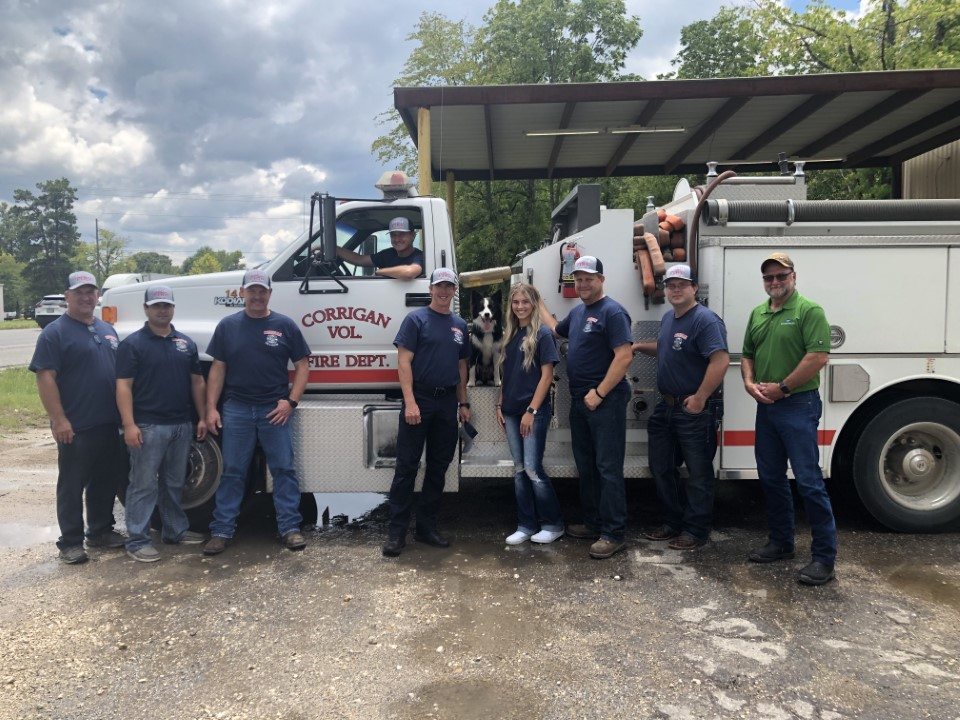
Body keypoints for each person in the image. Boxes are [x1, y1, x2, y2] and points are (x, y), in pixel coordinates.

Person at [742, 252, 837, 586]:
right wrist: (749, 382)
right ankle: (781, 543)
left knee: (809, 482)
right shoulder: (758, 312)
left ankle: (824, 559)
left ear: (793, 277)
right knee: (770, 477)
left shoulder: (809, 311)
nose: (775, 282)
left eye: (781, 276)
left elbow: (818, 357)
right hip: (766, 407)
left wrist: (782, 387)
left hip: (798, 404)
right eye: (769, 278)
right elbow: (747, 355)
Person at [203, 269, 311, 556]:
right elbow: (218, 368)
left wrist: (291, 401)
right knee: (233, 472)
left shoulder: (285, 325)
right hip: (236, 409)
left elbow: (302, 365)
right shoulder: (227, 326)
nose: (257, 296)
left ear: (270, 294)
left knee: (284, 470)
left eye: (262, 291)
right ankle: (221, 531)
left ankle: (290, 529)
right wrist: (211, 408)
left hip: (274, 410)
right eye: (252, 290)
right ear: (242, 293)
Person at [29, 271, 128, 564]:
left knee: (105, 480)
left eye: (90, 292)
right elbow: (45, 378)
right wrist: (59, 419)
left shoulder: (108, 329)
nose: (86, 297)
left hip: (109, 422)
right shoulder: (54, 333)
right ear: (67, 297)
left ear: (97, 296)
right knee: (72, 485)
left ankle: (99, 530)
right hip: (76, 425)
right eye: (79, 292)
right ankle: (70, 541)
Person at [540, 256, 633, 559]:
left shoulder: (613, 312)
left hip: (605, 401)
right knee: (588, 467)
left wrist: (600, 392)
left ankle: (613, 533)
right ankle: (593, 523)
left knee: (608, 467)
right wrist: (536, 300)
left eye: (588, 278)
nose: (582, 284)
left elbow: (624, 356)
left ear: (601, 280)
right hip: (581, 400)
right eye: (578, 279)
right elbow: (556, 329)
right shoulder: (578, 312)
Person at [633, 265, 729, 550]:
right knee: (662, 467)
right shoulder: (669, 318)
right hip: (667, 407)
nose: (675, 289)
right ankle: (672, 523)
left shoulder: (705, 320)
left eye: (682, 284)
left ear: (694, 288)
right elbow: (665, 348)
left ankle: (696, 530)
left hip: (694, 409)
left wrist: (700, 398)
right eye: (671, 285)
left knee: (698, 473)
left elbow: (720, 360)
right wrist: (638, 346)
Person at [382, 267, 472, 557]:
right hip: (419, 399)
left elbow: (461, 368)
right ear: (431, 289)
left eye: (449, 286)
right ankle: (396, 533)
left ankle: (426, 528)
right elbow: (404, 363)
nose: (444, 291)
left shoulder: (460, 325)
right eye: (439, 286)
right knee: (406, 468)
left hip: (447, 403)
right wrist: (409, 402)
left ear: (454, 290)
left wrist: (463, 403)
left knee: (438, 468)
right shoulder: (415, 320)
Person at [116, 285, 208, 563]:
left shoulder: (185, 343)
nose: (162, 310)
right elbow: (123, 387)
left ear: (173, 308)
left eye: (166, 305)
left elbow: (197, 382)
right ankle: (137, 540)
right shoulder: (132, 344)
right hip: (148, 426)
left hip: (181, 424)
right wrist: (129, 425)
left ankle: (174, 531)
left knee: (173, 482)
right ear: (146, 309)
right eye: (156, 306)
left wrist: (202, 416)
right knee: (143, 485)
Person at [496, 283, 564, 545]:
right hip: (511, 412)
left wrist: (532, 411)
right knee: (520, 469)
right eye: (516, 302)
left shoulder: (543, 334)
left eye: (525, 302)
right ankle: (525, 525)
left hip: (532, 412)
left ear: (534, 305)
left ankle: (553, 523)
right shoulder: (511, 334)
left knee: (534, 469)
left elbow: (547, 376)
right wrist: (500, 404)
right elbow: (507, 375)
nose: (521, 306)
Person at [335, 216, 424, 279]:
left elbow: (409, 272)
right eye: (393, 235)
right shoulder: (388, 254)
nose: (397, 239)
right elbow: (359, 259)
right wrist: (334, 249)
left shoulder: (419, 256)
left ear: (413, 236)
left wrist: (380, 272)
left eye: (402, 234)